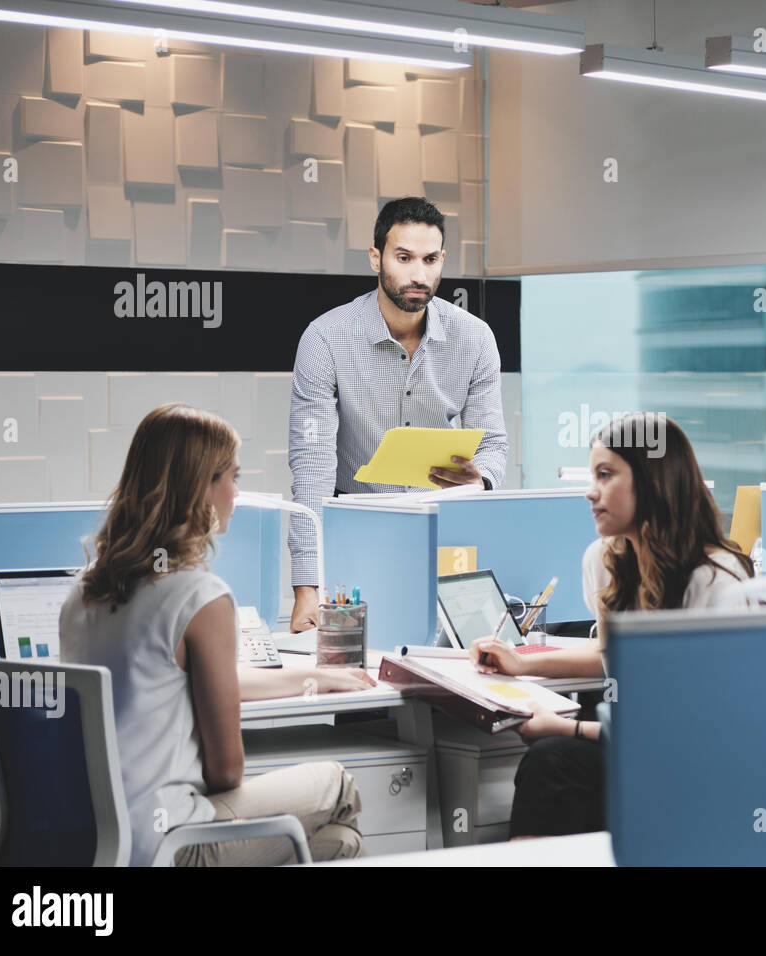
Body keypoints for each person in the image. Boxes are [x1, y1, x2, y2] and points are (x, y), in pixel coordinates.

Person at [61, 403, 373, 866]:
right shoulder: (199, 596)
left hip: (99, 843)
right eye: (232, 476)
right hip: (172, 844)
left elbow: (178, 686)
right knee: (337, 785)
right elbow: (227, 772)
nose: (235, 493)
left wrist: (313, 675)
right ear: (201, 488)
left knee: (339, 844)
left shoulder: (84, 591)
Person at [470, 413, 753, 837]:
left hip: (697, 766)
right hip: (637, 748)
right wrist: (520, 663)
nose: (590, 492)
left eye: (605, 475)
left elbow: (702, 728)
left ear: (654, 480)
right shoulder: (606, 560)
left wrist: (568, 727)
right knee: (552, 765)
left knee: (553, 761)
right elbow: (609, 654)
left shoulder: (715, 579)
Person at [287, 196, 509, 632]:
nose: (418, 274)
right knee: (359, 683)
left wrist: (480, 477)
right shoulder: (325, 339)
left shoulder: (475, 338)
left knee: (459, 673)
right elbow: (312, 466)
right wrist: (306, 589)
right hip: (356, 538)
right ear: (376, 257)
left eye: (430, 260)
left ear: (442, 259)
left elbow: (493, 444)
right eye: (404, 258)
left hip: (446, 539)